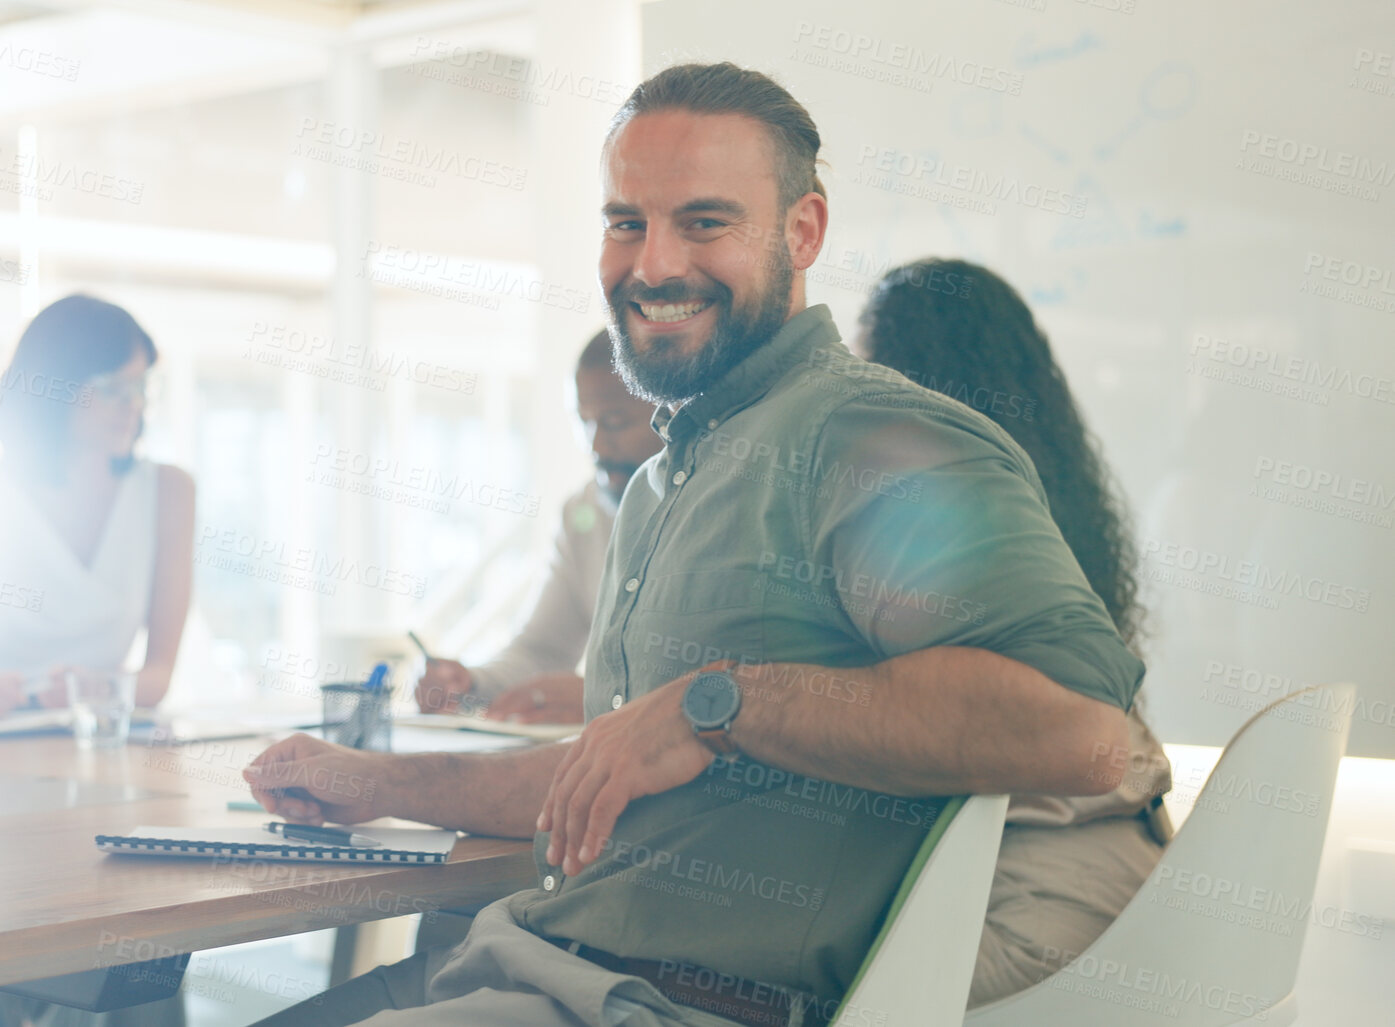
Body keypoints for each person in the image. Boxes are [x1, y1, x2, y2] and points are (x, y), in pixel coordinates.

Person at [241, 63, 1143, 1027]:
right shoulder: (664, 481)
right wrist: (378, 782)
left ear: (802, 232)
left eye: (704, 222)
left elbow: (1082, 736)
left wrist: (720, 703)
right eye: (625, 221)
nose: (653, 264)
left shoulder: (872, 441)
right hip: (539, 962)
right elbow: (604, 769)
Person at [853, 257, 1173, 1005]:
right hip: (1130, 871)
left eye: (870, 373)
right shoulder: (1051, 500)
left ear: (913, 381)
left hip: (1031, 894)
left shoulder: (937, 521)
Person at [0, 294, 195, 724]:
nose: (133, 405)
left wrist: (101, 689)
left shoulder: (169, 491)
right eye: (112, 388)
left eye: (141, 386)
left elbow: (158, 679)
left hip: (98, 741)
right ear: (53, 388)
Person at [415, 330, 661, 725]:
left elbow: (725, 680)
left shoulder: (712, 506)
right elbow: (541, 651)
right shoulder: (582, 514)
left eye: (614, 422)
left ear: (671, 412)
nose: (596, 446)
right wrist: (470, 682)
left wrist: (600, 697)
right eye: (584, 422)